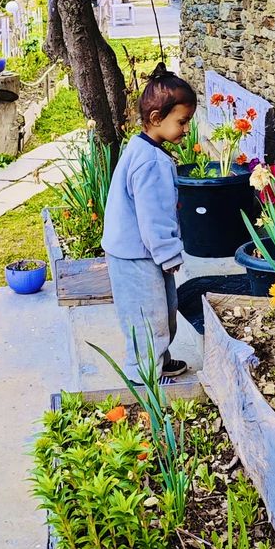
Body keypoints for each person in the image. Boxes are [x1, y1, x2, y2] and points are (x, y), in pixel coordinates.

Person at [102, 63, 197, 379]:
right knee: (148, 316)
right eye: (182, 122)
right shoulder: (151, 162)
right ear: (157, 119)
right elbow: (152, 217)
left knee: (162, 310)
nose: (186, 129)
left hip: (137, 252)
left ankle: (158, 360)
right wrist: (169, 254)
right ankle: (145, 375)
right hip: (136, 255)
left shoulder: (141, 146)